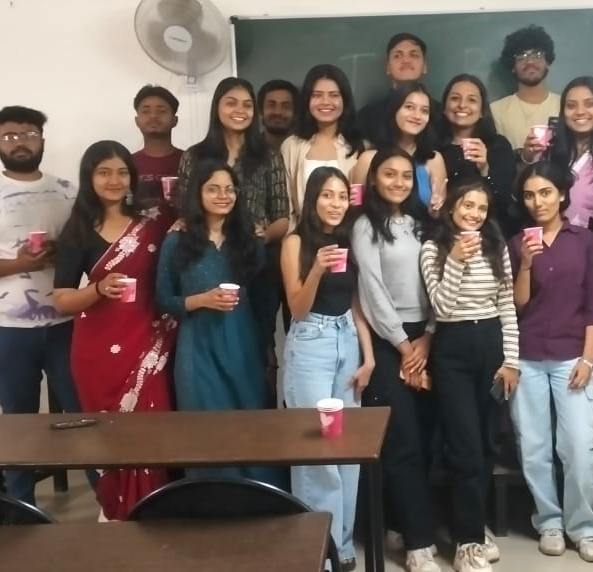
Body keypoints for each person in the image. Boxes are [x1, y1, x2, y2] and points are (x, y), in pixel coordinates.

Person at [0, 105, 84, 508]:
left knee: (83, 415)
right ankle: (20, 508)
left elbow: (89, 248)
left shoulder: (67, 191)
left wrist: (63, 252)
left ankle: (108, 502)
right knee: (18, 422)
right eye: (10, 136)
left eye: (29, 134)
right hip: (8, 329)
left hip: (67, 323)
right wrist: (20, 264)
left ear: (42, 140)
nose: (20, 142)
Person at [50, 140, 176, 521]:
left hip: (150, 342)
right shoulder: (78, 231)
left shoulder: (154, 223)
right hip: (98, 350)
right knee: (109, 433)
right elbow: (61, 299)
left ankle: (154, 511)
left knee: (154, 426)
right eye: (104, 172)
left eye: (122, 172)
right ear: (89, 178)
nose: (114, 180)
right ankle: (118, 513)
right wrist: (98, 289)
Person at [156, 159, 284, 487]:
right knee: (204, 428)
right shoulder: (177, 241)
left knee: (249, 422)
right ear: (197, 194)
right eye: (213, 189)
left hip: (243, 343)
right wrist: (201, 300)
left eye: (229, 189)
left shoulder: (249, 241)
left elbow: (263, 301)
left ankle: (260, 499)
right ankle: (210, 500)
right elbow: (163, 299)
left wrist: (266, 347)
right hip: (197, 347)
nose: (223, 196)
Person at [507, 161, 593, 564]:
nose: (538, 202)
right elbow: (516, 305)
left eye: (546, 192)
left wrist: (588, 358)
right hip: (527, 355)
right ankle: (548, 521)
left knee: (579, 445)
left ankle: (583, 526)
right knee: (533, 446)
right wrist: (525, 263)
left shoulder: (584, 241)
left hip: (572, 356)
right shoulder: (516, 242)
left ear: (562, 194)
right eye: (530, 195)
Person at [420, 178, 519, 572]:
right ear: (451, 208)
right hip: (452, 349)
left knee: (486, 445)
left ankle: (473, 525)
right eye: (467, 205)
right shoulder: (434, 248)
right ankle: (467, 543)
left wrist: (511, 361)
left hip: (491, 345)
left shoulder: (496, 245)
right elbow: (442, 308)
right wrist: (457, 260)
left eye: (481, 207)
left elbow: (507, 304)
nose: (474, 214)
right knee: (464, 447)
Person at [280, 167, 376, 572]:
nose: (335, 203)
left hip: (347, 340)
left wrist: (368, 357)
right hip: (311, 342)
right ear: (312, 199)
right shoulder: (295, 242)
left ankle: (343, 545)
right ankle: (320, 550)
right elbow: (297, 308)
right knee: (317, 451)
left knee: (347, 450)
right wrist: (317, 268)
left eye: (341, 196)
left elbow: (355, 303)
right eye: (326, 195)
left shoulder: (347, 239)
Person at [350, 147, 440, 572]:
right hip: (390, 340)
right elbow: (371, 291)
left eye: (406, 175)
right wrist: (405, 347)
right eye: (389, 174)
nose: (398, 182)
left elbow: (441, 280)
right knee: (401, 441)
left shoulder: (425, 224)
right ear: (373, 179)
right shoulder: (366, 225)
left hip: (429, 336)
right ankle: (418, 545)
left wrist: (429, 338)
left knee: (427, 439)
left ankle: (402, 523)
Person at [175, 77, 291, 400]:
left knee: (260, 346)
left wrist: (264, 234)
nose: (239, 110)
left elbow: (283, 217)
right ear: (217, 107)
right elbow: (185, 211)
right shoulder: (194, 156)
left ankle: (261, 417)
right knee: (211, 346)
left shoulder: (268, 156)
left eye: (247, 105)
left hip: (255, 264)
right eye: (231, 102)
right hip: (206, 262)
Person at [526, 76, 593, 230]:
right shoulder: (549, 145)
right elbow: (527, 195)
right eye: (571, 106)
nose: (580, 112)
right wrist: (528, 157)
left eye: (589, 104)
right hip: (549, 239)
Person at [280, 64, 364, 231]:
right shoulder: (291, 146)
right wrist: (292, 241)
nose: (325, 102)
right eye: (317, 95)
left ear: (345, 100)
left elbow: (361, 204)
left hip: (347, 237)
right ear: (307, 100)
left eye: (334, 95)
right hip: (302, 237)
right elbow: (287, 207)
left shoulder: (360, 149)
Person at [438, 74, 518, 236]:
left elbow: (504, 203)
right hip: (441, 234)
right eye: (455, 98)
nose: (462, 105)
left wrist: (484, 169)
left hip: (489, 236)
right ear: (445, 107)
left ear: (482, 111)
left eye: (472, 100)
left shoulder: (498, 146)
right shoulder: (432, 147)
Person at [351, 81, 447, 213]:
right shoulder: (367, 159)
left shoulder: (434, 160)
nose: (417, 116)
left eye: (424, 111)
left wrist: (436, 208)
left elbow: (439, 215)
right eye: (409, 107)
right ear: (394, 110)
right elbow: (355, 209)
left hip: (423, 226)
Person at [357, 33, 446, 144]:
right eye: (398, 56)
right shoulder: (368, 115)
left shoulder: (442, 115)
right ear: (388, 67)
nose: (406, 60)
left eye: (414, 55)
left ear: (424, 66)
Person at [489, 25, 560, 163]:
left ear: (548, 62)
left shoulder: (565, 106)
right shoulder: (496, 111)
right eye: (521, 57)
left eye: (537, 55)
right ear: (512, 66)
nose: (530, 62)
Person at [131, 85, 183, 208]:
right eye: (146, 111)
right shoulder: (127, 164)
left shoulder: (190, 161)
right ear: (137, 121)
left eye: (161, 111)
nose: (153, 116)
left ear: (175, 120)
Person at [259, 79, 298, 150]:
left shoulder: (307, 150)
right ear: (261, 110)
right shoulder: (245, 151)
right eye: (271, 105)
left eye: (286, 106)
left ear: (295, 113)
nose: (278, 112)